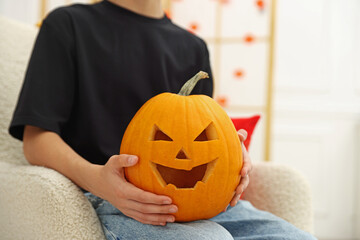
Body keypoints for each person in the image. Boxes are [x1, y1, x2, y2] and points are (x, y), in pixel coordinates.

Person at [8, 0, 317, 239]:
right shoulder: (67, 25)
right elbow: (36, 139)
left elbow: (207, 131)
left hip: (210, 206)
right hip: (117, 198)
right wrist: (100, 181)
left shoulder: (194, 47)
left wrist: (236, 159)